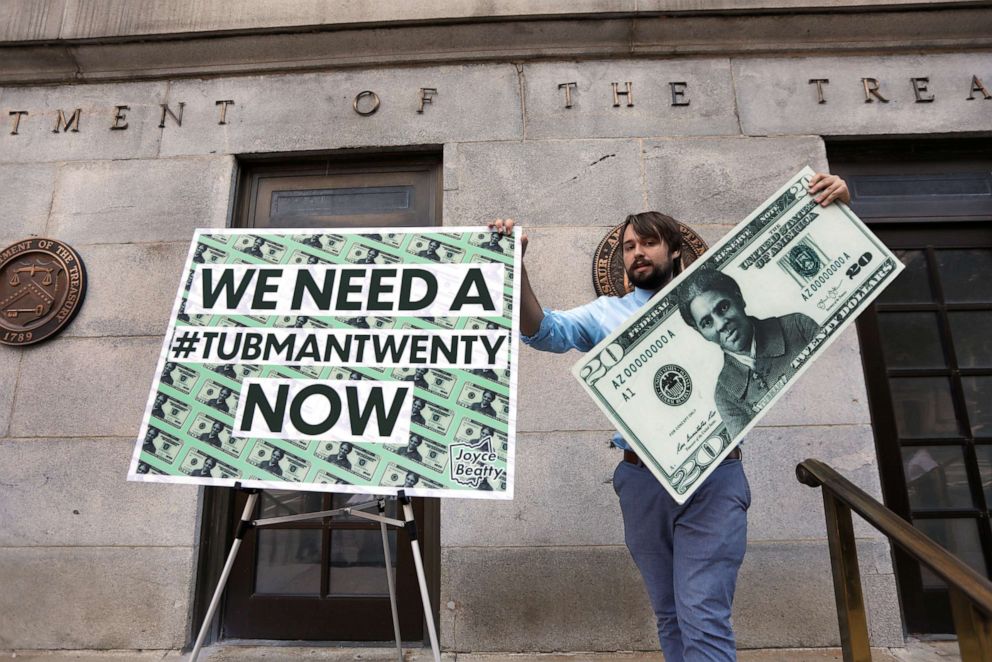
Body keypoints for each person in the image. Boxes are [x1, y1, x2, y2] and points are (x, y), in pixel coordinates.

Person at [490, 172, 849, 662]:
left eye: (649, 242)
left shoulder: (721, 296)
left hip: (715, 477)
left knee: (703, 613)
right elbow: (543, 330)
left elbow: (807, 277)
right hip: (641, 479)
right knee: (670, 613)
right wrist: (516, 267)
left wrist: (835, 206)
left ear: (675, 250)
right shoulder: (607, 314)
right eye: (629, 246)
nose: (637, 252)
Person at [678, 270, 817, 439]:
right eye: (707, 322)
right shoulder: (724, 395)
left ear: (739, 298)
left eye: (723, 307)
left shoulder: (799, 326)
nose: (721, 324)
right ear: (700, 332)